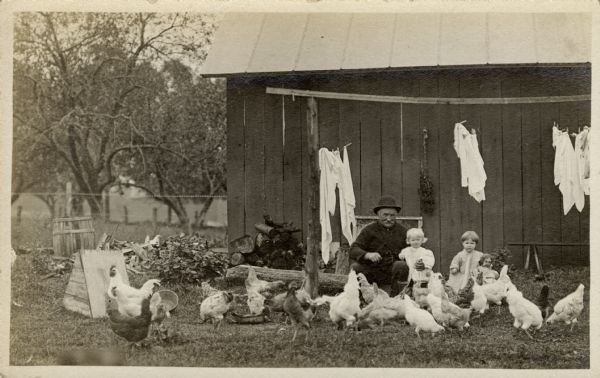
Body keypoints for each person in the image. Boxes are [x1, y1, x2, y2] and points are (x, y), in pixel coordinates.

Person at [349, 196, 409, 296]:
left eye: (392, 215)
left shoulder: (403, 231)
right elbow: (353, 249)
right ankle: (360, 300)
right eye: (385, 215)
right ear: (378, 214)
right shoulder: (369, 230)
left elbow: (415, 249)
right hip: (371, 271)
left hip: (392, 272)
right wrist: (367, 255)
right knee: (355, 267)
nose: (389, 219)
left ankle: (395, 299)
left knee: (401, 265)